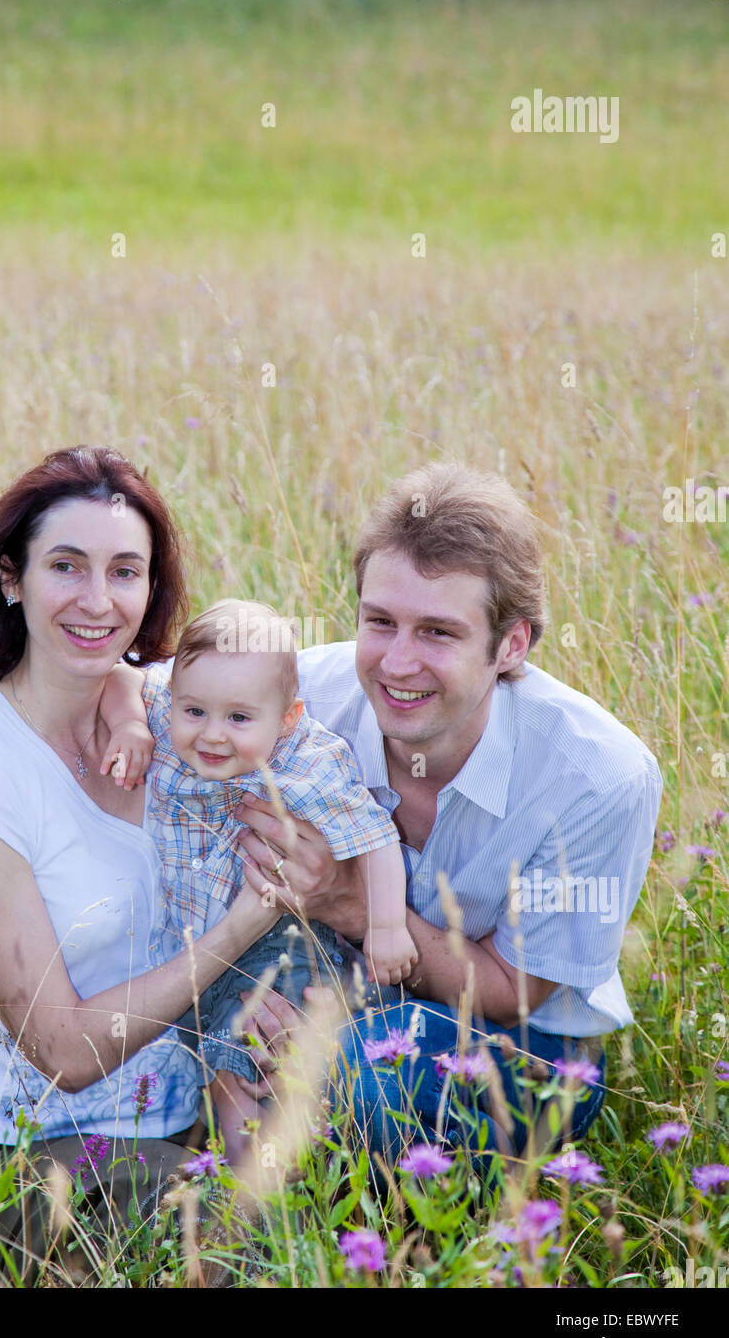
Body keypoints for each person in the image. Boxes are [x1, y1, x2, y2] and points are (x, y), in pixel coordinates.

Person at [0, 446, 283, 1283]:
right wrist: (241, 931)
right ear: (12, 579)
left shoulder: (179, 708)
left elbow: (330, 680)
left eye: (125, 571)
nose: (97, 600)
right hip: (51, 1148)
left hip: (195, 1113)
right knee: (240, 1254)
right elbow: (64, 1051)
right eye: (66, 566)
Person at [230, 462, 663, 1166]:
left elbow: (509, 990)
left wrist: (344, 897)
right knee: (196, 1028)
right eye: (380, 622)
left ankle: (412, 1241)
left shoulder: (597, 777)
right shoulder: (301, 698)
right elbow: (155, 706)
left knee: (359, 1077)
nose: (398, 663)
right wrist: (133, 724)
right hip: (329, 984)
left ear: (512, 645)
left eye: (438, 632)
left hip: (527, 1044)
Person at [112, 597, 412, 1156]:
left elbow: (376, 837)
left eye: (239, 719)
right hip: (202, 946)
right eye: (194, 711)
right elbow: (121, 677)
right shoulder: (162, 714)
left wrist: (388, 926)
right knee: (221, 1063)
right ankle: (255, 1176)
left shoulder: (309, 762)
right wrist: (130, 724)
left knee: (251, 1063)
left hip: (282, 948)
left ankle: (258, 1196)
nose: (213, 736)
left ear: (287, 718)